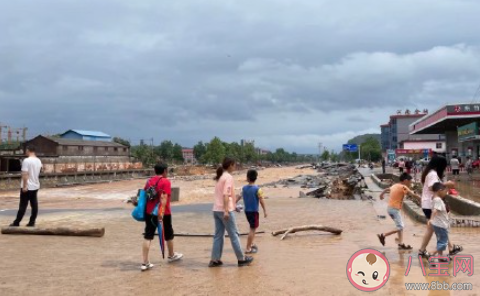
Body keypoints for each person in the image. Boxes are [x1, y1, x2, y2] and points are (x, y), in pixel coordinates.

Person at [209, 157, 254, 267]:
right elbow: (225, 195)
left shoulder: (220, 177)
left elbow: (225, 196)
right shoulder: (228, 177)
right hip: (224, 210)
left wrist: (234, 206)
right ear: (230, 165)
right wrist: (226, 210)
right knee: (234, 234)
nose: (235, 167)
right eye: (234, 165)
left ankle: (215, 260)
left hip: (216, 209)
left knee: (218, 235)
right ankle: (241, 259)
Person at [141, 163, 183, 272]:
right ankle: (171, 255)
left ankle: (145, 263)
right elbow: (163, 199)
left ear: (155, 171)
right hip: (163, 213)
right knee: (169, 234)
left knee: (148, 235)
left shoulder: (149, 181)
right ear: (164, 170)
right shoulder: (165, 181)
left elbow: (144, 194)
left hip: (149, 212)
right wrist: (161, 213)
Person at [418, 156, 462, 258]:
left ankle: (449, 248)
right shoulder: (433, 174)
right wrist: (447, 184)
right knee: (439, 228)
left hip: (428, 203)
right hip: (430, 204)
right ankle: (434, 252)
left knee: (435, 228)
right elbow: (433, 187)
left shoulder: (430, 173)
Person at [377, 173, 421, 249]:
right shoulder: (403, 187)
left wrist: (381, 194)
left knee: (399, 226)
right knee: (400, 227)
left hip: (390, 209)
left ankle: (400, 244)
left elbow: (387, 189)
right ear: (406, 180)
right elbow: (412, 194)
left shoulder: (395, 185)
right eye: (410, 182)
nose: (410, 183)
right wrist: (420, 199)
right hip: (394, 210)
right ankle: (383, 235)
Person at [236, 169, 267, 254]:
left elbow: (238, 197)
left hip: (247, 211)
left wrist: (233, 204)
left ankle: (251, 243)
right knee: (252, 229)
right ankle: (248, 248)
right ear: (256, 178)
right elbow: (261, 200)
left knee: (252, 227)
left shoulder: (244, 188)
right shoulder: (258, 189)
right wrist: (265, 211)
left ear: (247, 178)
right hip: (254, 212)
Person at [10, 146, 42, 227]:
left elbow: (25, 174)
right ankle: (32, 222)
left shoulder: (26, 161)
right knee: (34, 205)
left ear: (28, 150)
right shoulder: (38, 160)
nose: (25, 152)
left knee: (23, 205)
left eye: (26, 150)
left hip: (28, 186)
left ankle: (17, 222)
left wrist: (25, 186)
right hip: (35, 185)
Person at [428, 183, 450, 262]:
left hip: (438, 224)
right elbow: (435, 210)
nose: (446, 193)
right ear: (440, 190)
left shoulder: (434, 198)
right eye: (445, 191)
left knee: (440, 241)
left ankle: (440, 257)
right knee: (444, 243)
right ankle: (430, 254)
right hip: (441, 225)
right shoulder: (438, 200)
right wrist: (431, 219)